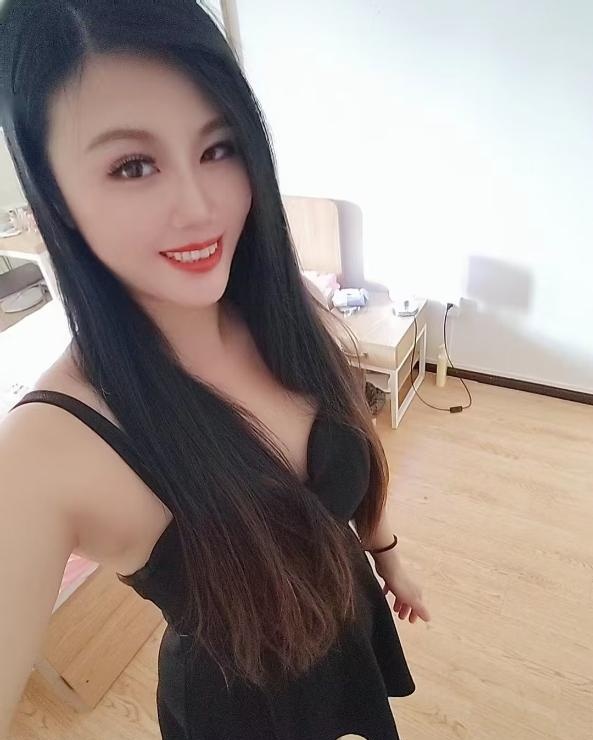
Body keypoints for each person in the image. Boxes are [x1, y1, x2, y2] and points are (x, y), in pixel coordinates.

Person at [0, 2, 430, 738]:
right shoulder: (44, 451)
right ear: (53, 198)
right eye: (133, 166)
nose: (201, 209)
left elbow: (352, 451)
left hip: (348, 624)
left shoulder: (278, 307)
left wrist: (387, 558)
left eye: (219, 147)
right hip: (241, 709)